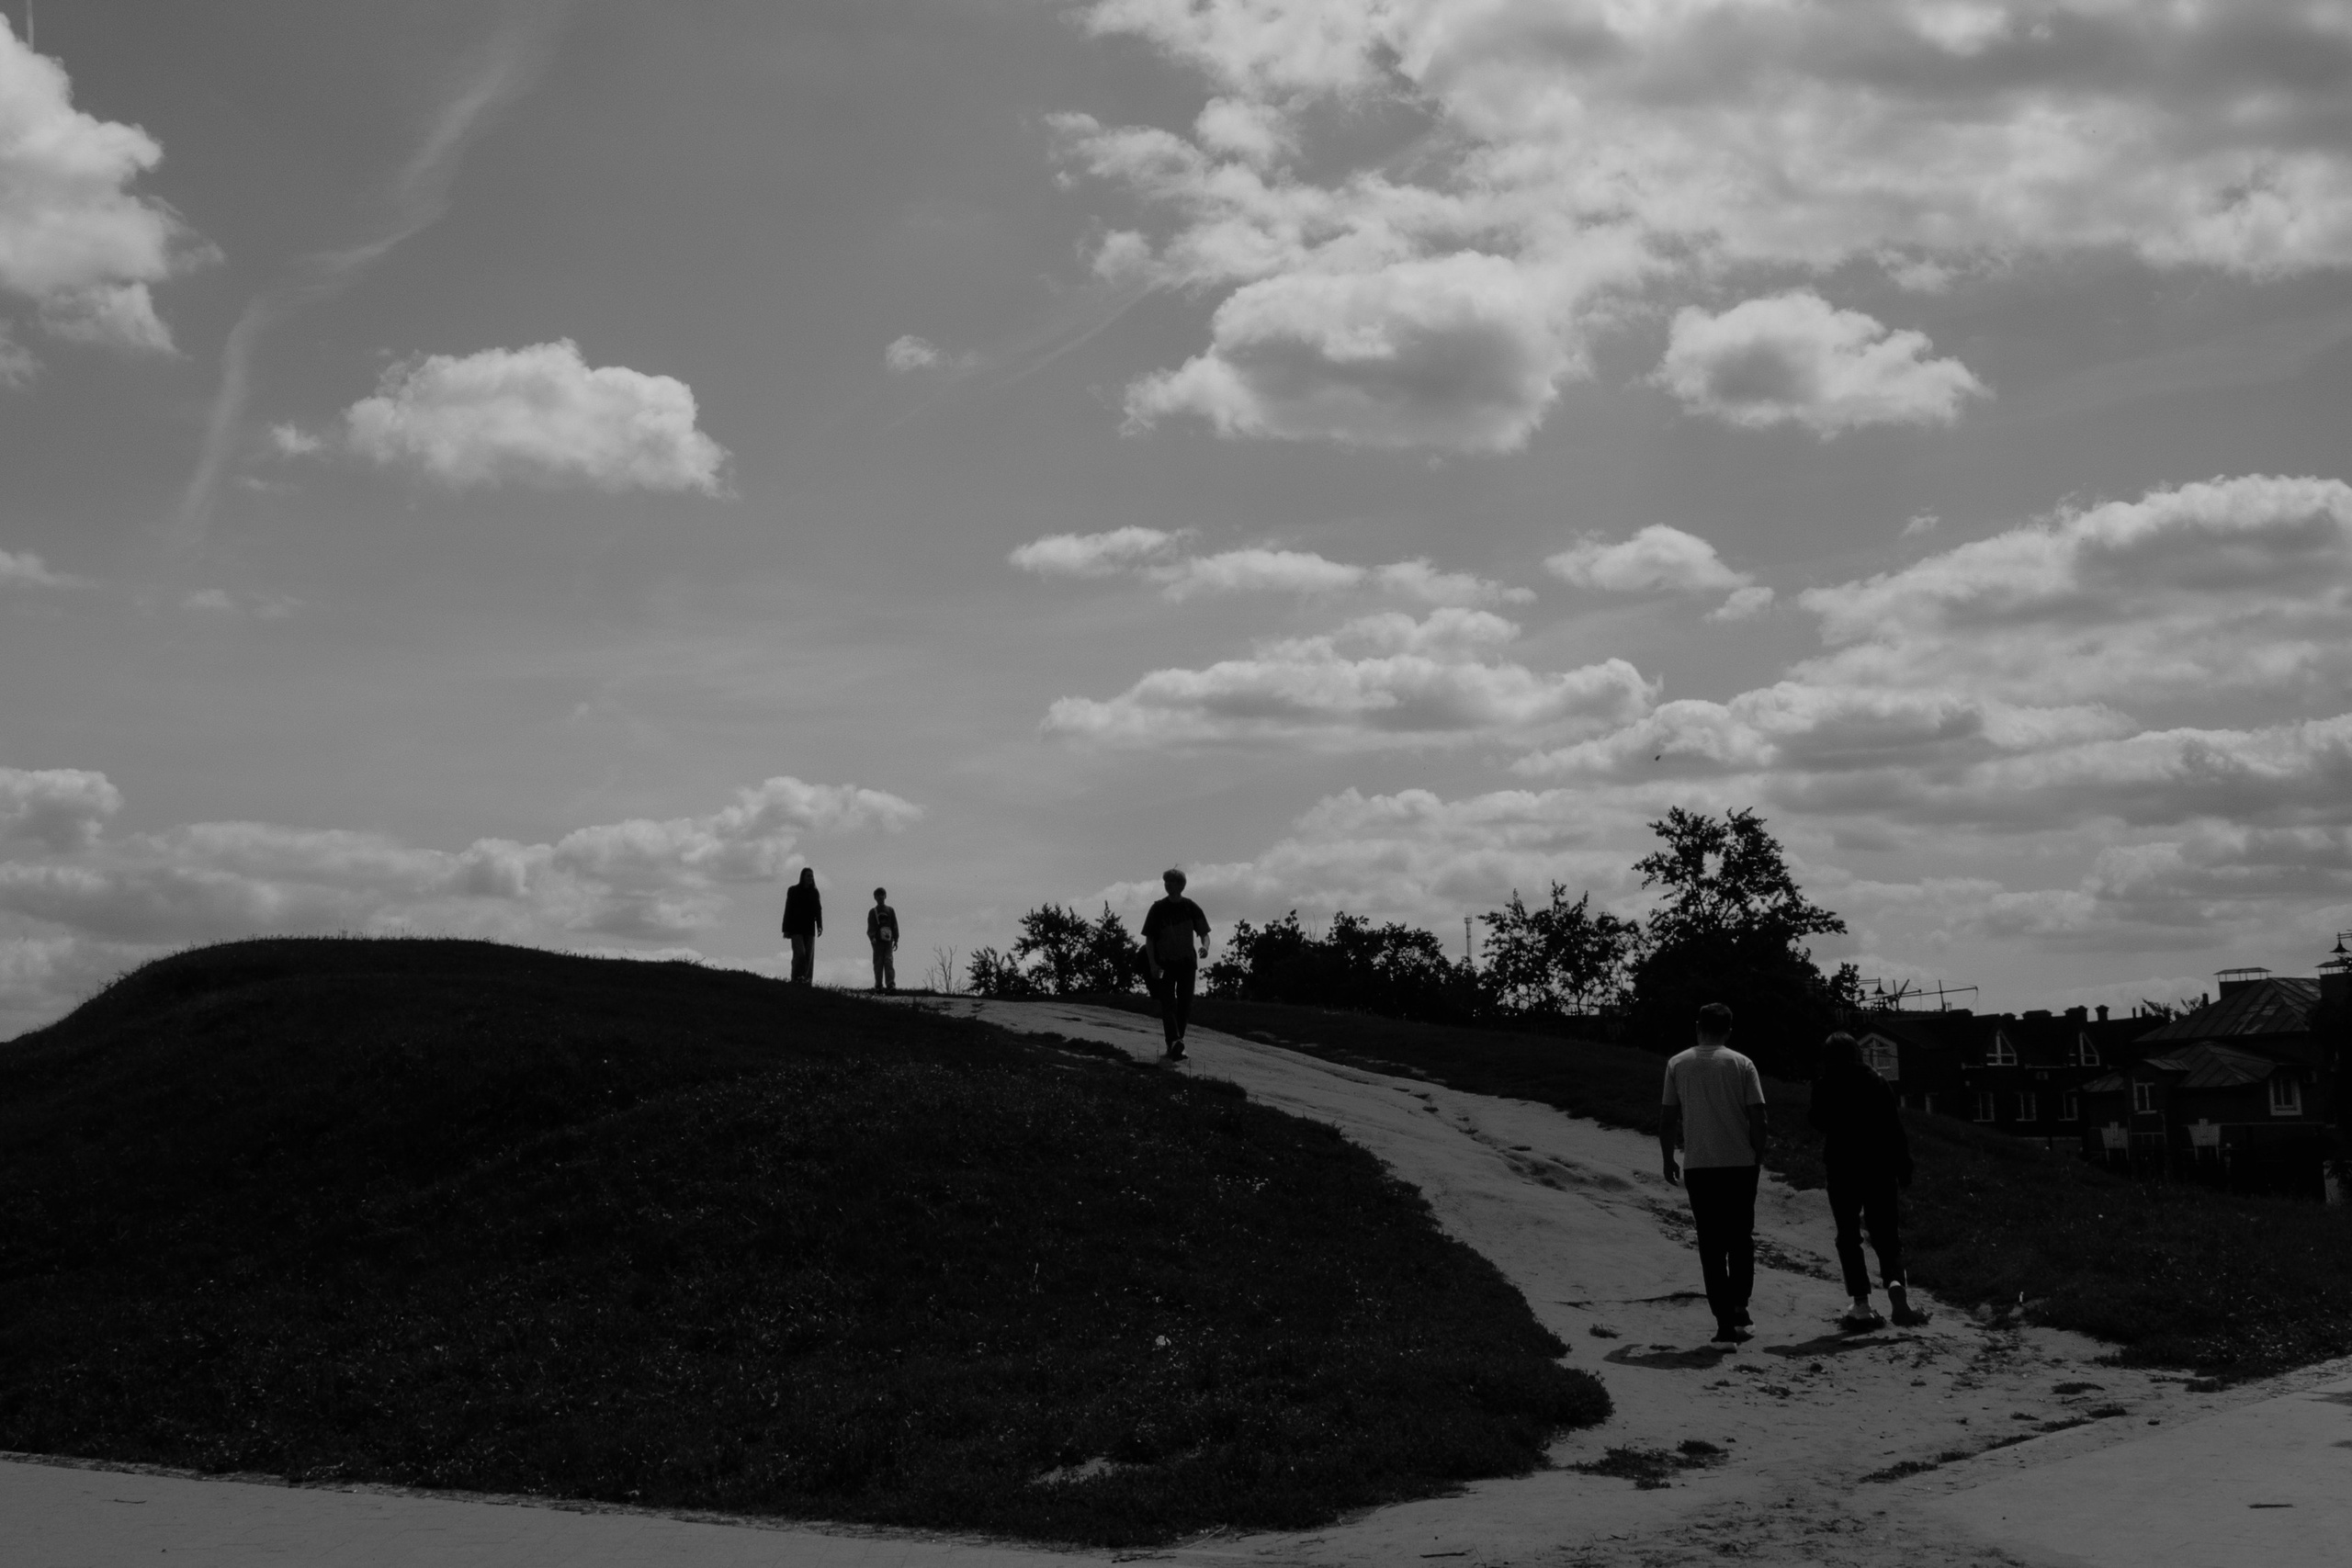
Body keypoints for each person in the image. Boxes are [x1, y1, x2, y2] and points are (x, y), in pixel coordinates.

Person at [1659, 1001, 1768, 1344]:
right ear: (1728, 1029)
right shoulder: (1742, 1063)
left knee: (1710, 1243)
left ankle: (1722, 1322)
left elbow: (1667, 1118)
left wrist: (1667, 1157)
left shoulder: (1678, 1063)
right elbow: (1759, 1116)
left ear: (1698, 1026)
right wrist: (1757, 1154)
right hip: (1739, 1163)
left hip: (1701, 1164)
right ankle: (1739, 1308)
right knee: (1740, 1239)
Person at [1809, 1032, 1926, 1329]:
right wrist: (1905, 1166)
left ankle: (1861, 1305)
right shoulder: (1877, 1081)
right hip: (1879, 1166)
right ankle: (1897, 1289)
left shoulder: (1825, 1084)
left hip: (1841, 1167)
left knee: (1848, 1234)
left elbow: (1816, 1122)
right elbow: (1894, 1127)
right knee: (1886, 1234)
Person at [1139, 868, 1210, 1060]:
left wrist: (1205, 947)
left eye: (1171, 882)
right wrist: (1153, 964)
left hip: (1187, 963)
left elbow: (1204, 933)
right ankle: (1174, 1041)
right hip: (1165, 964)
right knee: (1168, 1003)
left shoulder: (1190, 907)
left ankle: (1177, 1042)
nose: (1167, 885)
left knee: (1185, 1004)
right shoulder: (1158, 909)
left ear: (1180, 885)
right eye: (1166, 882)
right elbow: (1150, 940)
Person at [781, 867, 821, 986]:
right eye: (808, 875)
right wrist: (786, 929)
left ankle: (806, 981)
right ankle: (796, 979)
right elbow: (788, 909)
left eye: (812, 876)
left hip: (809, 928)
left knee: (809, 956)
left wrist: (819, 925)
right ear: (803, 877)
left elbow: (818, 909)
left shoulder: (814, 892)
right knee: (800, 954)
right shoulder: (793, 890)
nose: (810, 878)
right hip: (796, 928)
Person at [866, 887, 900, 993]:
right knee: (878, 963)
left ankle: (890, 985)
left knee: (888, 961)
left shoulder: (890, 910)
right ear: (875, 898)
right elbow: (870, 927)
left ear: (885, 896)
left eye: (882, 895)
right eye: (878, 895)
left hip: (888, 941)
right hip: (877, 942)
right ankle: (878, 986)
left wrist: (896, 938)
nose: (881, 897)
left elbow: (894, 924)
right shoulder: (873, 912)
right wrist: (872, 937)